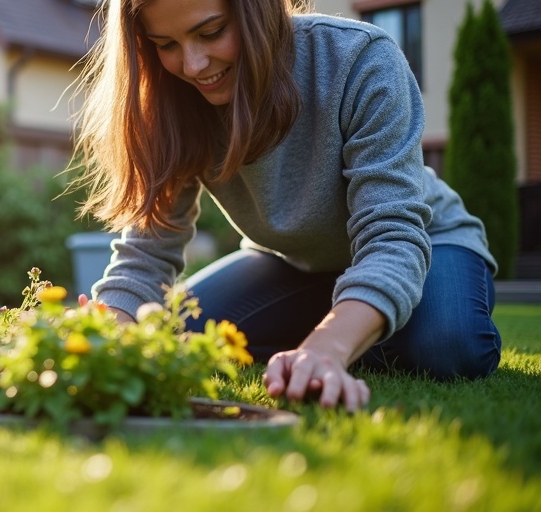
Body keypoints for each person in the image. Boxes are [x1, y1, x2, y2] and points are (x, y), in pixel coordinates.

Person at [70, 0, 502, 412]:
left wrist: (328, 347)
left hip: (426, 242)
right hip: (291, 263)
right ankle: (349, 317)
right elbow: (146, 253)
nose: (194, 64)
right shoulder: (169, 98)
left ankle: (349, 321)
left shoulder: (360, 58)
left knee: (448, 347)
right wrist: (109, 333)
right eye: (166, 45)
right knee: (179, 335)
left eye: (212, 31)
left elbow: (393, 236)